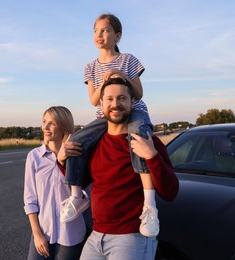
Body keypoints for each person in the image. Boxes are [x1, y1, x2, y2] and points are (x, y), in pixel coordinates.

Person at [60, 13, 160, 238]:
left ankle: (149, 205)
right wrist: (105, 81)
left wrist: (122, 75)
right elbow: (94, 100)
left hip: (133, 111)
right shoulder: (90, 67)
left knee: (139, 141)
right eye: (96, 31)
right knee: (76, 141)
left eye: (105, 30)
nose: (99, 35)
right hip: (104, 115)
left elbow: (139, 93)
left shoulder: (128, 59)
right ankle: (77, 196)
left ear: (118, 35)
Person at [74, 75, 179, 259]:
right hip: (95, 236)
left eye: (122, 98)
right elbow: (84, 182)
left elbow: (170, 192)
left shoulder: (147, 141)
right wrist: (61, 160)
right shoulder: (96, 142)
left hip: (131, 238)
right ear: (101, 103)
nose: (115, 104)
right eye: (109, 99)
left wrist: (153, 157)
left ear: (132, 101)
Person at [23, 106, 87, 260]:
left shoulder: (78, 155)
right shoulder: (34, 157)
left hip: (70, 234)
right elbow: (30, 199)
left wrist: (65, 161)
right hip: (43, 231)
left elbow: (85, 193)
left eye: (52, 123)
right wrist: (37, 235)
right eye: (44, 122)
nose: (45, 127)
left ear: (64, 126)